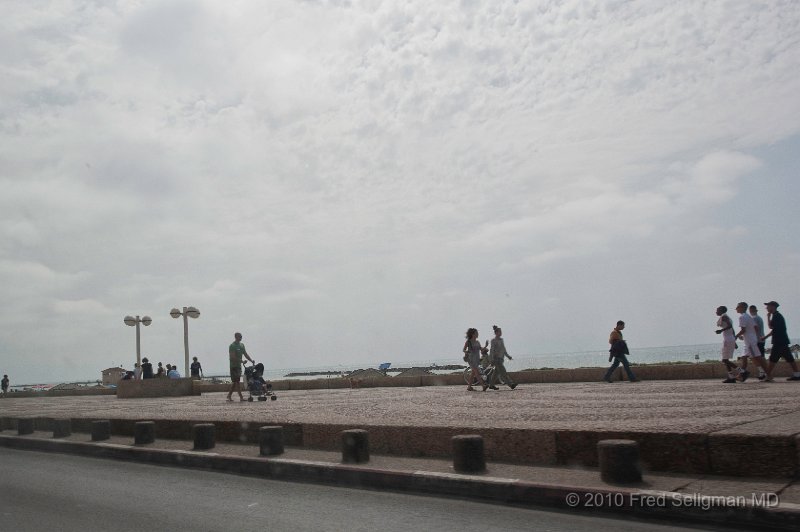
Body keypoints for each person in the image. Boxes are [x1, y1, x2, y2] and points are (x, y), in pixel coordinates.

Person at [761, 301, 800, 382]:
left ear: (773, 307)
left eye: (768, 306)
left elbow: (772, 328)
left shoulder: (777, 316)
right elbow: (772, 328)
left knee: (773, 359)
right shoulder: (776, 316)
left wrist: (765, 337)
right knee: (789, 358)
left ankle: (768, 376)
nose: (766, 308)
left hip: (779, 341)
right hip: (782, 341)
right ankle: (797, 375)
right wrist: (766, 337)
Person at [735, 302, 769, 381]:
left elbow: (743, 330)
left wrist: (736, 336)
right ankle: (743, 374)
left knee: (758, 357)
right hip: (749, 340)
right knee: (745, 357)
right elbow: (756, 328)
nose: (736, 309)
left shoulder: (742, 317)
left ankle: (767, 374)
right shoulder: (749, 316)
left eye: (738, 307)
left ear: (743, 307)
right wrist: (752, 335)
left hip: (750, 341)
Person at [488, 325, 517, 390]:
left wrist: (508, 356)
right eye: (499, 331)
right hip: (496, 359)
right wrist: (491, 359)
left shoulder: (501, 340)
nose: (501, 333)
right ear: (496, 332)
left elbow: (503, 349)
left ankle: (491, 385)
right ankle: (511, 384)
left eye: (501, 331)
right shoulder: (493, 340)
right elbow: (491, 350)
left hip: (501, 359)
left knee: (496, 373)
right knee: (503, 372)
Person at [227, 332, 254, 401]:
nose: (241, 338)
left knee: (235, 382)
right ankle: (241, 397)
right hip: (233, 366)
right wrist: (242, 361)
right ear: (236, 337)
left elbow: (245, 354)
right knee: (237, 382)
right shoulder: (232, 346)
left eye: (241, 336)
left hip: (239, 366)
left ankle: (229, 395)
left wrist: (251, 360)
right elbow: (232, 357)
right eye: (240, 336)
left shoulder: (242, 345)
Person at [715, 306, 739, 383]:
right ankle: (731, 377)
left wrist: (721, 330)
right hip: (730, 339)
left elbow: (730, 326)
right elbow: (732, 330)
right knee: (726, 359)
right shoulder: (725, 316)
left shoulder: (724, 317)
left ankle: (742, 371)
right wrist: (734, 341)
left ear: (721, 310)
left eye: (717, 310)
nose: (716, 311)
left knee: (724, 360)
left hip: (728, 340)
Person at [749, 305, 767, 380]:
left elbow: (754, 329)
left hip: (757, 340)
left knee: (755, 357)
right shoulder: (759, 318)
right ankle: (764, 373)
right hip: (761, 339)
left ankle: (763, 372)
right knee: (760, 357)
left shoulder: (754, 318)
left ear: (750, 310)